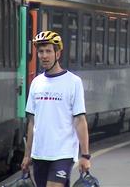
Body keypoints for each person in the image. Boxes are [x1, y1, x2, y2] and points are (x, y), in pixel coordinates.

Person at [21, 31, 91, 187]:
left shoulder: (73, 82)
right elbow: (32, 123)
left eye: (48, 51)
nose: (44, 56)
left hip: (63, 153)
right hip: (40, 154)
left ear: (57, 54)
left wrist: (85, 155)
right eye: (40, 51)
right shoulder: (36, 83)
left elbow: (80, 120)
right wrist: (27, 155)